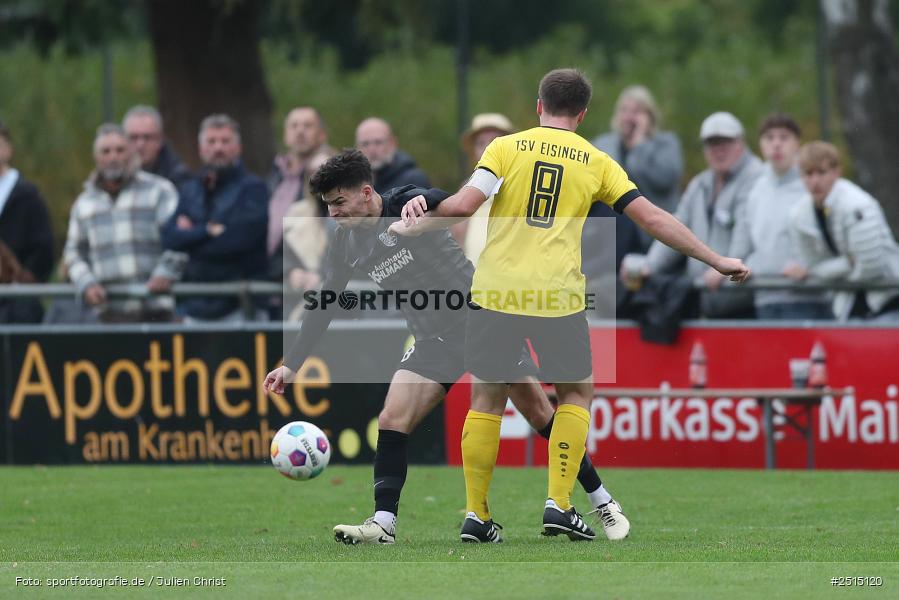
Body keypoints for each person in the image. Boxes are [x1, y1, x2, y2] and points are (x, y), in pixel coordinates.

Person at [393, 69, 749, 542]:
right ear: (582, 114)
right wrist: (716, 258)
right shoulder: (597, 161)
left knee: (486, 400)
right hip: (556, 296)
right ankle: (559, 504)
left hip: (495, 292)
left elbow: (461, 207)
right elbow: (654, 219)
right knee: (577, 395)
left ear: (538, 106)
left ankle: (477, 515)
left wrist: (418, 217)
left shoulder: (505, 147)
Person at [262, 149, 629, 545]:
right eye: (327, 206)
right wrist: (293, 363)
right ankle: (384, 523)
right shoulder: (346, 243)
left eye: (339, 202)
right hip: (432, 340)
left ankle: (600, 498)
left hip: (483, 323)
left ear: (366, 192)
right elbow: (326, 302)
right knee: (391, 418)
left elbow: (443, 197)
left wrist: (430, 201)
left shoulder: (405, 201)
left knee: (541, 414)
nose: (333, 213)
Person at [626, 111, 763, 319]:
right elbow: (675, 226)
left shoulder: (757, 178)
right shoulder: (700, 184)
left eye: (725, 141)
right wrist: (649, 267)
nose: (718, 150)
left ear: (741, 143)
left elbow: (745, 235)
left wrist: (727, 267)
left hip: (744, 302)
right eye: (712, 143)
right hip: (706, 298)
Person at [63, 124, 184, 322]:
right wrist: (86, 282)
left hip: (156, 309)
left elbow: (180, 240)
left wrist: (166, 271)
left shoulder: (159, 191)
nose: (113, 157)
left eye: (120, 150)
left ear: (131, 153)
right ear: (96, 157)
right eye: (106, 151)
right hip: (108, 313)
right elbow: (73, 252)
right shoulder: (84, 203)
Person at [161, 114, 268, 322]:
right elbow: (169, 238)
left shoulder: (254, 189)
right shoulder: (191, 189)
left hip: (241, 306)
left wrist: (190, 235)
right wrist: (208, 231)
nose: (218, 148)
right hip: (195, 307)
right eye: (212, 141)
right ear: (201, 149)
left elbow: (238, 241)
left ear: (238, 147)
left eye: (225, 141)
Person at [731, 114, 832, 319]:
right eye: (769, 137)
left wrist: (811, 268)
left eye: (784, 137)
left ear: (797, 144)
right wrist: (745, 265)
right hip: (765, 299)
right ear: (760, 144)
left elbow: (831, 241)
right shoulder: (754, 189)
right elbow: (748, 242)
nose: (776, 144)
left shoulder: (813, 186)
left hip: (808, 299)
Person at [787, 141, 899, 321]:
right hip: (849, 303)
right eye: (808, 173)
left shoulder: (858, 204)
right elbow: (813, 265)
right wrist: (849, 262)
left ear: (836, 172)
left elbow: (871, 267)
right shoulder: (799, 214)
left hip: (889, 297)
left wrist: (830, 273)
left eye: (821, 172)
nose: (815, 181)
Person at [267, 107, 335, 319]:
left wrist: (321, 275)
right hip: (280, 283)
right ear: (286, 134)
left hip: (326, 292)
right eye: (294, 125)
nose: (300, 131)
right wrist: (287, 271)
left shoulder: (336, 181)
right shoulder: (274, 175)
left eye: (307, 125)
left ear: (322, 134)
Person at [592, 85, 683, 215]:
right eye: (624, 110)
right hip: (612, 223)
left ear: (649, 116)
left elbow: (665, 180)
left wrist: (639, 145)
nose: (628, 117)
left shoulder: (666, 143)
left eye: (636, 111)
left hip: (653, 222)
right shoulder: (602, 144)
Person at [0, 120, 54, 323]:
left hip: (17, 304)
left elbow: (44, 248)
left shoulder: (27, 195)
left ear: (8, 149)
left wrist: (23, 282)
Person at [457, 113, 515, 264]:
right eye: (480, 143)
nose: (488, 149)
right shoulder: (466, 188)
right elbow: (457, 239)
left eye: (495, 142)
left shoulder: (520, 186)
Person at [122, 105, 192, 189]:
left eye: (147, 137)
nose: (140, 144)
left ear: (160, 140)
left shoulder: (178, 179)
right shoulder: (111, 176)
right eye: (133, 137)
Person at [355, 117, 430, 192]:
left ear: (392, 143)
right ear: (357, 147)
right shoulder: (353, 184)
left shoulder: (414, 181)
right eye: (365, 144)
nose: (372, 149)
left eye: (378, 142)